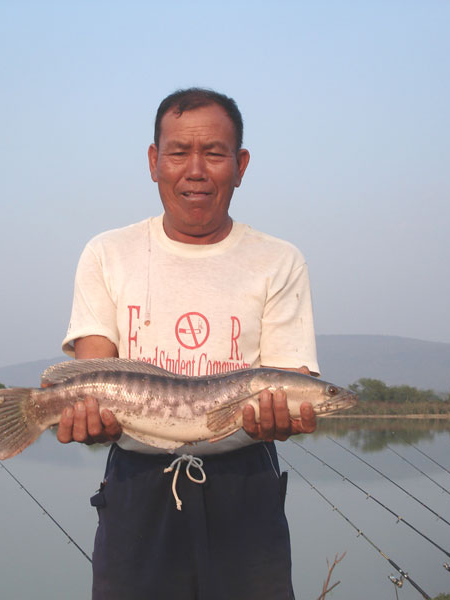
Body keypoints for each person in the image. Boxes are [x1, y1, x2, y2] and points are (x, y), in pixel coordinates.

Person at [58, 88, 319, 600]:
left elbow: (292, 379)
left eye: (215, 153)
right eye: (178, 152)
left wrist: (288, 416)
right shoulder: (107, 252)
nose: (195, 170)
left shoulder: (279, 260)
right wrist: (86, 420)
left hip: (247, 488)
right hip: (135, 487)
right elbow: (93, 373)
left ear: (240, 165)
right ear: (154, 162)